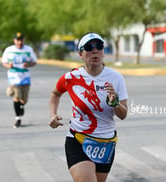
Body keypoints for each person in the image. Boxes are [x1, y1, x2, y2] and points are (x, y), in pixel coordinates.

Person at [49, 32, 129, 182]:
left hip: (106, 144)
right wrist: (53, 114)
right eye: (89, 47)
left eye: (99, 46)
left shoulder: (116, 78)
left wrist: (115, 103)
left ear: (103, 52)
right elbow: (55, 93)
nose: (95, 50)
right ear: (81, 53)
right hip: (78, 139)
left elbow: (123, 115)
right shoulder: (71, 77)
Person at [2, 32, 37, 128]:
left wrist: (28, 65)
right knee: (17, 96)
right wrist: (8, 65)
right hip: (14, 77)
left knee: (24, 100)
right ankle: (17, 119)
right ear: (14, 40)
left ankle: (21, 105)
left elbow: (34, 62)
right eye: (18, 40)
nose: (20, 42)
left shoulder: (28, 49)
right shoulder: (9, 50)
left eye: (21, 40)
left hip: (25, 77)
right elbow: (4, 62)